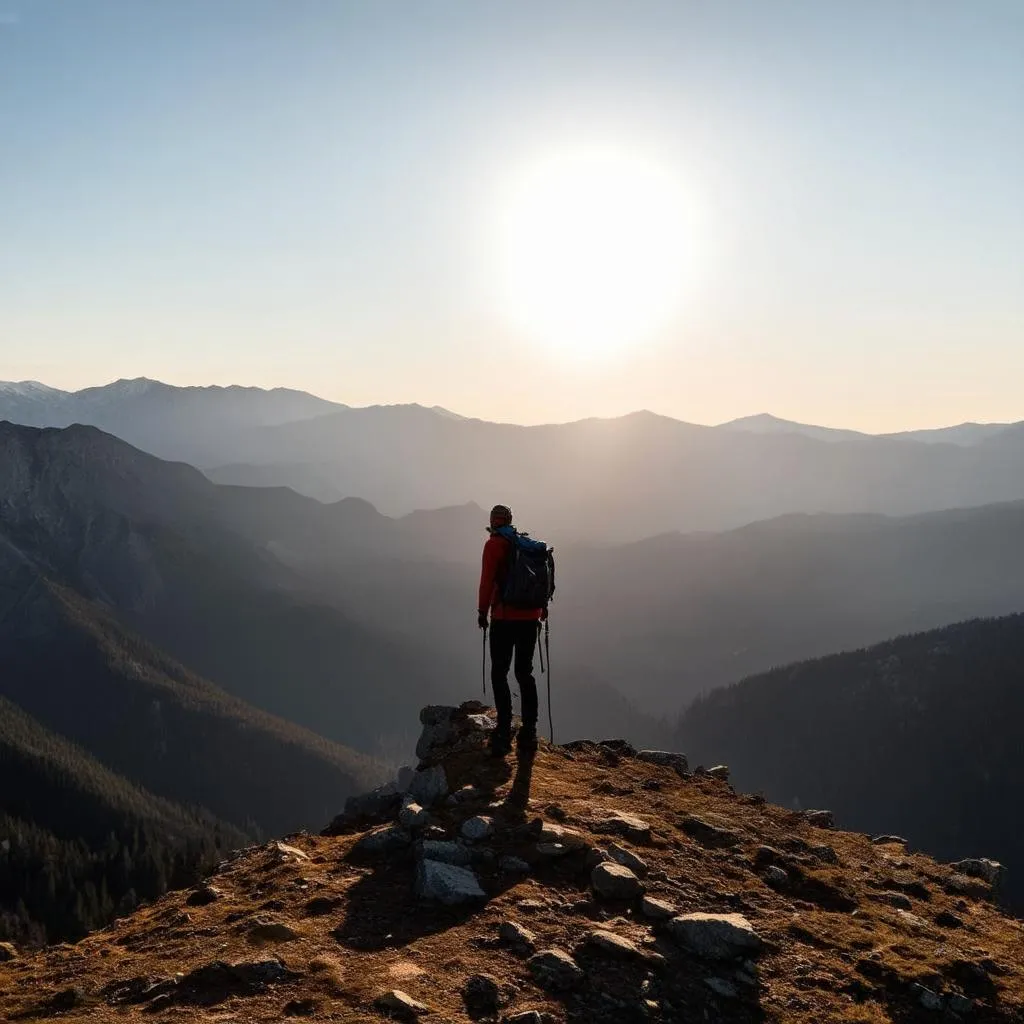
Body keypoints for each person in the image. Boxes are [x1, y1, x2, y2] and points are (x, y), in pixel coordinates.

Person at [478, 504, 545, 757]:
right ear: (510, 520)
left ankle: (504, 728)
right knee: (524, 673)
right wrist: (541, 611)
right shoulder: (524, 545)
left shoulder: (494, 545)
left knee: (499, 672)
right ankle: (529, 729)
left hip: (505, 617)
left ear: (493, 522)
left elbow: (486, 581)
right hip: (530, 618)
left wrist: (482, 612)